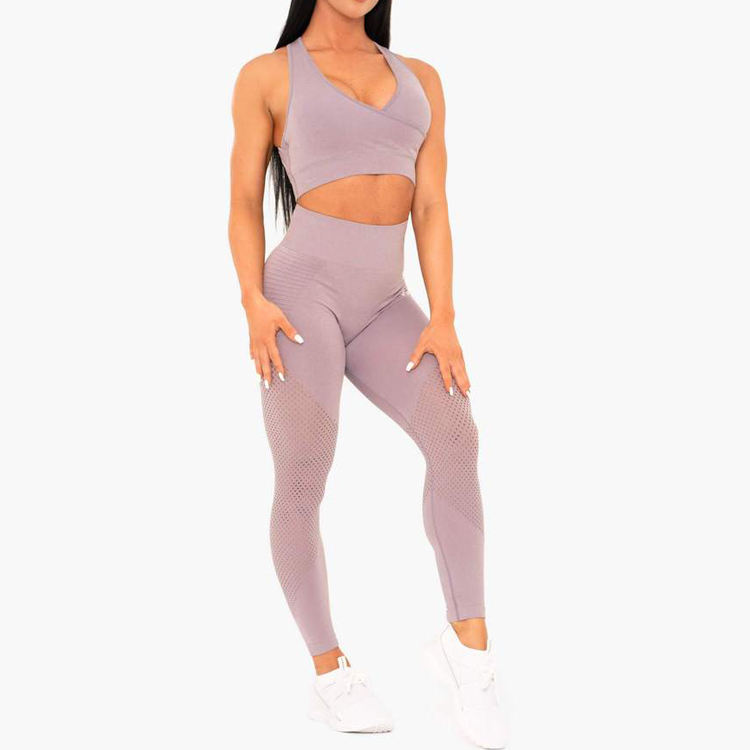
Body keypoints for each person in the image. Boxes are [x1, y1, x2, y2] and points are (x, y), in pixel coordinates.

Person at [229, 1, 506, 746]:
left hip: (387, 300)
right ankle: (331, 674)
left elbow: (432, 204)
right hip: (299, 298)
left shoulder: (421, 78)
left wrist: (442, 315)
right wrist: (253, 300)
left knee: (456, 439)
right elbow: (244, 201)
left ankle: (468, 652)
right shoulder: (267, 75)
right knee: (303, 473)